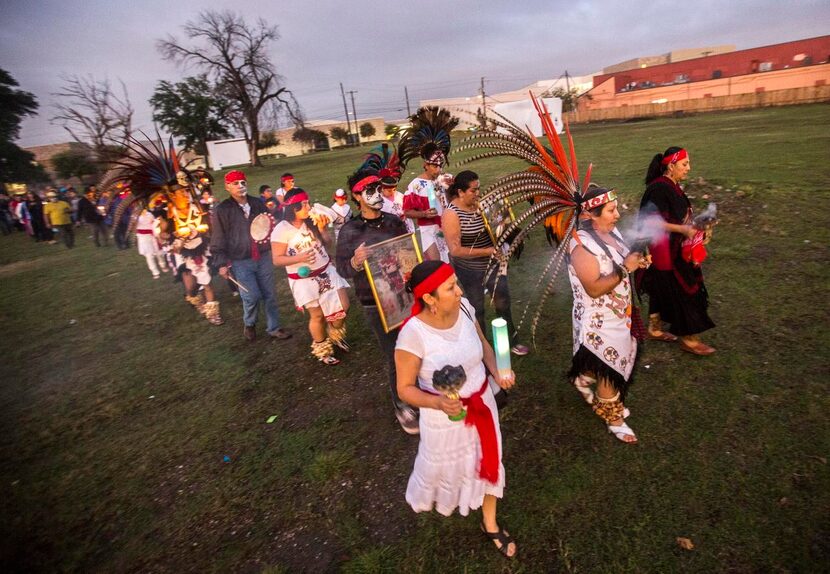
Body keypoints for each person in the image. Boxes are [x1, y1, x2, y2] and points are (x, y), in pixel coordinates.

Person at [395, 260, 517, 558]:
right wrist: (437, 402)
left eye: (457, 283)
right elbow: (404, 388)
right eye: (451, 288)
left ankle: (490, 522)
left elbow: (484, 345)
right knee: (457, 468)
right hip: (445, 419)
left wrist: (498, 369)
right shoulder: (413, 335)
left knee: (490, 459)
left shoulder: (464, 310)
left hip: (483, 404)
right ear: (429, 298)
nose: (460, 291)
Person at [335, 174, 418, 434]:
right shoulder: (350, 230)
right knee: (395, 354)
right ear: (357, 197)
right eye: (368, 190)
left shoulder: (394, 221)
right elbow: (342, 269)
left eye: (377, 188)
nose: (376, 193)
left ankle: (420, 392)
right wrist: (356, 261)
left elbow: (408, 252)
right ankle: (403, 404)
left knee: (417, 347)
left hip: (405, 294)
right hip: (375, 302)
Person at [567, 186, 649, 443]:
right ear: (592, 214)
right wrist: (627, 268)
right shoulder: (582, 247)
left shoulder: (610, 231)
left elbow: (622, 261)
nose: (617, 214)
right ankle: (613, 418)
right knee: (609, 368)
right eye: (611, 210)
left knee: (612, 358)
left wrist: (639, 261)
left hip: (618, 314)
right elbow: (593, 288)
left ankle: (582, 378)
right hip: (598, 321)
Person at [639, 146, 716, 355]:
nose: (689, 168)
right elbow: (650, 221)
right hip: (665, 251)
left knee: (660, 287)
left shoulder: (673, 185)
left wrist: (699, 227)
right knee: (686, 290)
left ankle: (654, 328)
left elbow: (678, 216)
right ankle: (690, 340)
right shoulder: (658, 188)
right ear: (671, 166)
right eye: (684, 164)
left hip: (676, 247)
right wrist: (682, 229)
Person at [442, 170, 528, 356]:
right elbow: (455, 250)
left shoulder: (481, 205)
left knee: (503, 302)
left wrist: (508, 230)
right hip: (469, 269)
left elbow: (496, 228)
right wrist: (487, 251)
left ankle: (510, 341)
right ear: (460, 192)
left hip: (493, 264)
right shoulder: (451, 214)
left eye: (479, 189)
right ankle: (482, 349)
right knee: (477, 308)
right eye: (473, 191)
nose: (478, 194)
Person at [211, 170, 291, 341]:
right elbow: (218, 238)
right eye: (235, 183)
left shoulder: (257, 203)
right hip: (240, 260)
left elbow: (267, 225)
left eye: (242, 182)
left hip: (262, 256)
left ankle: (274, 327)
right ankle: (250, 323)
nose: (240, 186)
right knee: (251, 295)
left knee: (269, 293)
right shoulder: (222, 210)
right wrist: (221, 263)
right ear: (227, 187)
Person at [272, 188, 350, 365]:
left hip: (326, 271)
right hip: (304, 280)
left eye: (307, 202)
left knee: (343, 307)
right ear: (293, 207)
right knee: (317, 316)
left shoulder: (313, 221)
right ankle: (323, 350)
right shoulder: (282, 229)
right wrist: (299, 258)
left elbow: (328, 244)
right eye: (304, 203)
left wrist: (322, 230)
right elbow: (276, 259)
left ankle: (335, 333)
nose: (308, 206)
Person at [135, 208, 168, 278]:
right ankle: (155, 271)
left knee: (159, 253)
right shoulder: (135, 216)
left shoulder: (149, 214)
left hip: (153, 236)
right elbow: (134, 226)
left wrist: (157, 233)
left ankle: (163, 265)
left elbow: (154, 224)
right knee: (149, 255)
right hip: (144, 239)